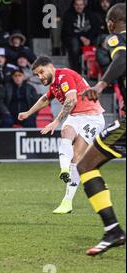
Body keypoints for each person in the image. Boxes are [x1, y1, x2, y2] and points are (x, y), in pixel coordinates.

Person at [18, 56, 106, 215]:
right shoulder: (54, 84)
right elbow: (45, 98)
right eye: (37, 75)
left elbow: (71, 99)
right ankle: (64, 169)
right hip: (75, 115)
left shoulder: (63, 75)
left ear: (50, 67)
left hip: (92, 117)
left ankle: (67, 201)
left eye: (41, 72)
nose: (40, 76)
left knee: (77, 156)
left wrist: (56, 121)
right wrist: (28, 113)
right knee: (66, 132)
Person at [78, 3, 125, 256]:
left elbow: (123, 59)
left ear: (110, 23)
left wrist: (100, 86)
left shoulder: (118, 38)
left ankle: (113, 230)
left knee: (85, 166)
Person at [61, 0, 100, 74]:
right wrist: (81, 37)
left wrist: (89, 39)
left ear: (84, 5)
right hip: (73, 38)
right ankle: (75, 71)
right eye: (77, 5)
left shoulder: (90, 14)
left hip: (88, 38)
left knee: (98, 41)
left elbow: (95, 28)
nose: (79, 7)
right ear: (74, 5)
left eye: (81, 5)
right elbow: (67, 31)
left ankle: (95, 71)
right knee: (74, 44)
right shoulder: (68, 14)